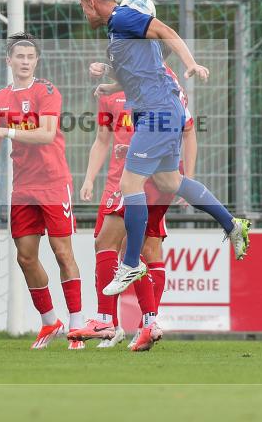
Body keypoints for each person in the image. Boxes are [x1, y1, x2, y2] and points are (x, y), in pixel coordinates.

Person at [74, 0, 251, 301]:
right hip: (158, 110)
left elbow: (166, 31)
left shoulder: (123, 15)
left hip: (157, 113)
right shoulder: (118, 34)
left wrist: (192, 63)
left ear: (91, 2)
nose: (85, 14)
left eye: (84, 8)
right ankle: (232, 224)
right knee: (169, 181)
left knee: (130, 185)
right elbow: (140, 75)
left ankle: (129, 264)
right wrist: (108, 83)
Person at [69, 62, 196, 351]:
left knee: (137, 248)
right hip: (117, 182)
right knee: (113, 245)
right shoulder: (112, 96)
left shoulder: (161, 84)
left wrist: (185, 179)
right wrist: (89, 179)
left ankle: (121, 322)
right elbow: (102, 140)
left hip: (147, 179)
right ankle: (135, 324)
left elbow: (185, 132)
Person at [0, 32, 85, 350]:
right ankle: (50, 321)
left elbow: (47, 135)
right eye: (19, 57)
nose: (24, 61)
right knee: (25, 257)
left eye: (30, 57)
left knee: (63, 253)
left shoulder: (46, 90)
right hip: (23, 187)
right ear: (8, 60)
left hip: (53, 182)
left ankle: (77, 328)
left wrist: (3, 129)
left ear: (36, 61)